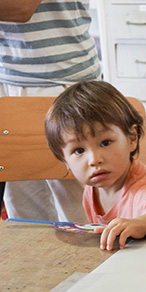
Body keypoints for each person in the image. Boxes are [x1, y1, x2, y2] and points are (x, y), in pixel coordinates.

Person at [0, 0, 101, 224]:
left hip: (57, 79)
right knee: (25, 219)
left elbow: (21, 8)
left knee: (83, 217)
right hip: (8, 77)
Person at [45, 81, 146, 250]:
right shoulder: (93, 187)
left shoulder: (144, 187)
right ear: (65, 160)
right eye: (79, 151)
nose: (94, 160)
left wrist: (140, 224)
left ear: (131, 138)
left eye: (105, 142)